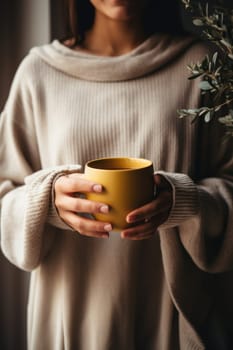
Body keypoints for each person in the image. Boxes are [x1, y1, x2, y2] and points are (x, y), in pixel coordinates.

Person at [1, 0, 233, 349]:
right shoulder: (38, 72)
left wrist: (184, 201)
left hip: (172, 319)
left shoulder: (202, 67)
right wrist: (46, 200)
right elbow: (5, 197)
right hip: (70, 318)